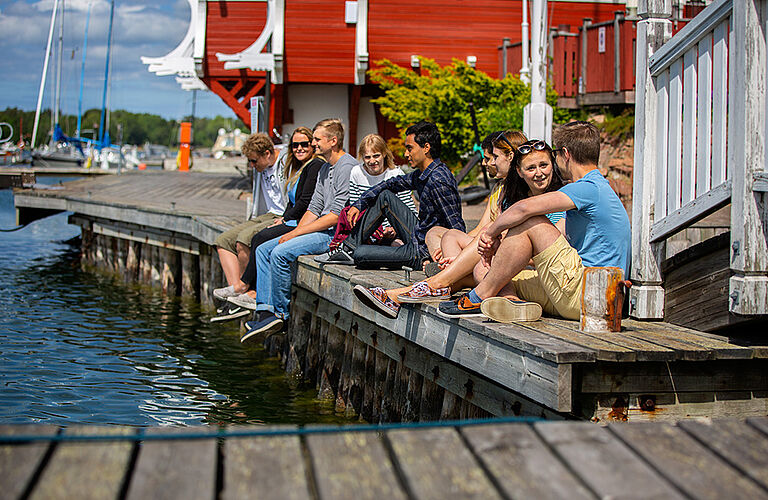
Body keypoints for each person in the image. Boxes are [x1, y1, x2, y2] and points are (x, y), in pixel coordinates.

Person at [353, 134, 566, 318]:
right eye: (531, 167)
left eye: (543, 165)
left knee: (477, 261)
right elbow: (485, 232)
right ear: (520, 171)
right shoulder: (511, 195)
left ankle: (413, 290)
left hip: (530, 273)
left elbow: (552, 252)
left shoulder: (560, 200)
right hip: (500, 267)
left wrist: (491, 251)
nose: (539, 172)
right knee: (456, 241)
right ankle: (412, 291)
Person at [439, 121, 630, 322]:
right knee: (485, 270)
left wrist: (489, 233)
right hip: (581, 296)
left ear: (565, 154)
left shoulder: (588, 188)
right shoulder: (597, 189)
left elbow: (524, 209)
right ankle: (512, 302)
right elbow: (557, 240)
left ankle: (477, 298)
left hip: (590, 293)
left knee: (531, 220)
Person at [241, 118, 357, 341]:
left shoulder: (347, 167)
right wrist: (291, 231)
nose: (313, 144)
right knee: (263, 249)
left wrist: (295, 233)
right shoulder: (325, 168)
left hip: (335, 236)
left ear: (333, 141)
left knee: (280, 253)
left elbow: (335, 217)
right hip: (319, 229)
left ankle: (280, 316)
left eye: (316, 139)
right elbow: (313, 208)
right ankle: (265, 311)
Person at [317, 121, 464, 270]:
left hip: (421, 250)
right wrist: (359, 204)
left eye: (409, 148)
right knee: (385, 195)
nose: (406, 154)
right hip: (418, 234)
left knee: (360, 254)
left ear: (426, 148)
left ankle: (419, 261)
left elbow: (456, 226)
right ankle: (348, 248)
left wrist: (451, 260)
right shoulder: (422, 174)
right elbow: (390, 184)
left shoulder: (439, 180)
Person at [222, 127, 325, 312]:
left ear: (312, 145)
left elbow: (306, 201)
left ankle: (254, 293)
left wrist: (287, 220)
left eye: (304, 144)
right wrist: (286, 217)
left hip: (303, 222)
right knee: (259, 241)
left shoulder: (315, 165)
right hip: (293, 219)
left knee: (261, 239)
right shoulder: (300, 167)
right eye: (295, 145)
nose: (299, 148)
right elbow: (292, 200)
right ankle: (252, 293)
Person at [210, 132, 285, 321]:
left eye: (254, 161)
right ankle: (237, 293)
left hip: (282, 215)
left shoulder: (285, 162)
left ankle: (249, 291)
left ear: (268, 154)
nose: (252, 166)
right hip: (267, 213)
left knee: (245, 239)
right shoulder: (261, 168)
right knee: (222, 241)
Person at [424, 130, 519, 275]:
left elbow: (495, 231)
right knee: (434, 233)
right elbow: (481, 226)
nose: (486, 163)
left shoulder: (517, 190)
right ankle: (453, 265)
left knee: (452, 236)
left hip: (496, 246)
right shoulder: (498, 188)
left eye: (491, 158)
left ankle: (450, 271)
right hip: (486, 241)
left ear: (509, 157)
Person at [314, 133, 416, 262]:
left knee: (383, 196)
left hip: (393, 231)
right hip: (368, 231)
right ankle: (349, 250)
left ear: (384, 154)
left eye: (376, 156)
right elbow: (356, 210)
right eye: (367, 157)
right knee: (360, 254)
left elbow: (408, 210)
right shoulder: (357, 172)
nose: (372, 161)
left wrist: (392, 230)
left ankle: (348, 248)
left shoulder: (395, 174)